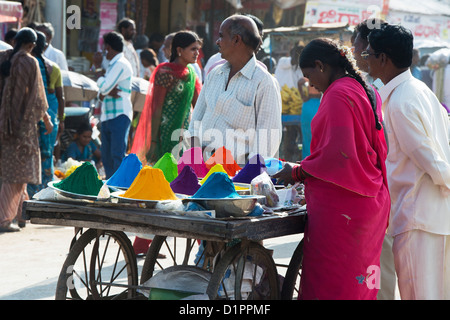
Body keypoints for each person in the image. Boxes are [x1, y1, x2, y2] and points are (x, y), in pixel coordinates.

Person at [274, 38, 390, 300]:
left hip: (344, 209)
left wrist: (296, 172)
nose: (309, 83)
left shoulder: (338, 94)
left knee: (333, 285)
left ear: (320, 65)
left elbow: (338, 156)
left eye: (308, 75)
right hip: (370, 201)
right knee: (359, 284)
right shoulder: (366, 89)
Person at [366, 24, 450, 300]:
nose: (364, 57)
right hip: (429, 215)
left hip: (418, 217)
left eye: (369, 53)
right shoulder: (418, 90)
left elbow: (431, 160)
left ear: (383, 59)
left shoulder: (401, 101)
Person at [187, 14, 282, 166]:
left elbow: (267, 141)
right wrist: (194, 159)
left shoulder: (264, 82)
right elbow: (195, 123)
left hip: (236, 175)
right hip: (202, 169)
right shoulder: (215, 74)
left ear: (236, 40)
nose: (217, 42)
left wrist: (247, 176)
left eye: (221, 36)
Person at [352, 18, 396, 301]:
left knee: (381, 261)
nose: (352, 48)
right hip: (382, 186)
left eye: (355, 41)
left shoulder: (376, 87)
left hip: (382, 188)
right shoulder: (375, 83)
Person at [0, 28, 53, 232]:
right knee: (17, 175)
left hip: (4, 126)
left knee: (14, 172)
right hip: (22, 127)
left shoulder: (4, 57)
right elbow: (39, 98)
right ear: (32, 45)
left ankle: (21, 214)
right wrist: (47, 121)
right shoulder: (30, 62)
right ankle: (4, 219)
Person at [131, 30, 203, 165]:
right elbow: (156, 109)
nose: (197, 53)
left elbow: (198, 107)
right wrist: (153, 141)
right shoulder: (165, 73)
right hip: (164, 133)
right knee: (163, 170)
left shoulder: (191, 75)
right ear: (180, 50)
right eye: (193, 49)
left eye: (198, 49)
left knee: (180, 173)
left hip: (184, 133)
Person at [27, 31, 65, 198]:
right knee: (47, 157)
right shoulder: (54, 68)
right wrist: (61, 120)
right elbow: (61, 97)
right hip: (50, 121)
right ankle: (46, 194)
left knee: (30, 158)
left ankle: (30, 195)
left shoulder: (27, 65)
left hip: (31, 120)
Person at [96, 32, 133, 179]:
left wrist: (98, 68)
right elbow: (101, 94)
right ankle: (111, 188)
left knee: (116, 155)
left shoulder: (121, 64)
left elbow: (103, 88)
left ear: (109, 48)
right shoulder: (112, 66)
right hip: (108, 115)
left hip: (119, 115)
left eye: (104, 48)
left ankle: (118, 188)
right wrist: (104, 90)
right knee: (106, 156)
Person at [275, 44, 305, 161]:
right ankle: (288, 157)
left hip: (298, 104)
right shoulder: (284, 62)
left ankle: (300, 157)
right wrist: (295, 57)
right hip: (286, 103)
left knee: (302, 137)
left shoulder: (300, 68)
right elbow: (291, 61)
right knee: (289, 136)